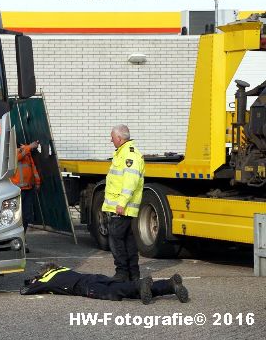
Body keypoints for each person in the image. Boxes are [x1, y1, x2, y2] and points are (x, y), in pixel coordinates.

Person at [20, 262, 189, 305]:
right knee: (122, 289)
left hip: (85, 287)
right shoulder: (61, 269)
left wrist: (33, 280)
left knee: (118, 291)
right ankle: (169, 285)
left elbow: (26, 290)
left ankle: (139, 284)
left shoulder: (46, 279)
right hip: (94, 277)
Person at [103, 124, 145, 282]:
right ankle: (133, 274)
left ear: (119, 138)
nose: (111, 140)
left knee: (116, 239)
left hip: (122, 207)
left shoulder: (129, 155)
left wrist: (121, 203)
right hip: (123, 207)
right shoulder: (124, 153)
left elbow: (130, 182)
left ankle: (122, 273)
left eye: (112, 137)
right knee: (127, 239)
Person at [10, 141, 41, 237]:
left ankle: (22, 238)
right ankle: (15, 238)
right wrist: (29, 147)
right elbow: (17, 157)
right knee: (15, 216)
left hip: (28, 189)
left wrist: (37, 183)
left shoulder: (27, 154)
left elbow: (33, 170)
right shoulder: (13, 152)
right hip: (16, 190)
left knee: (26, 216)